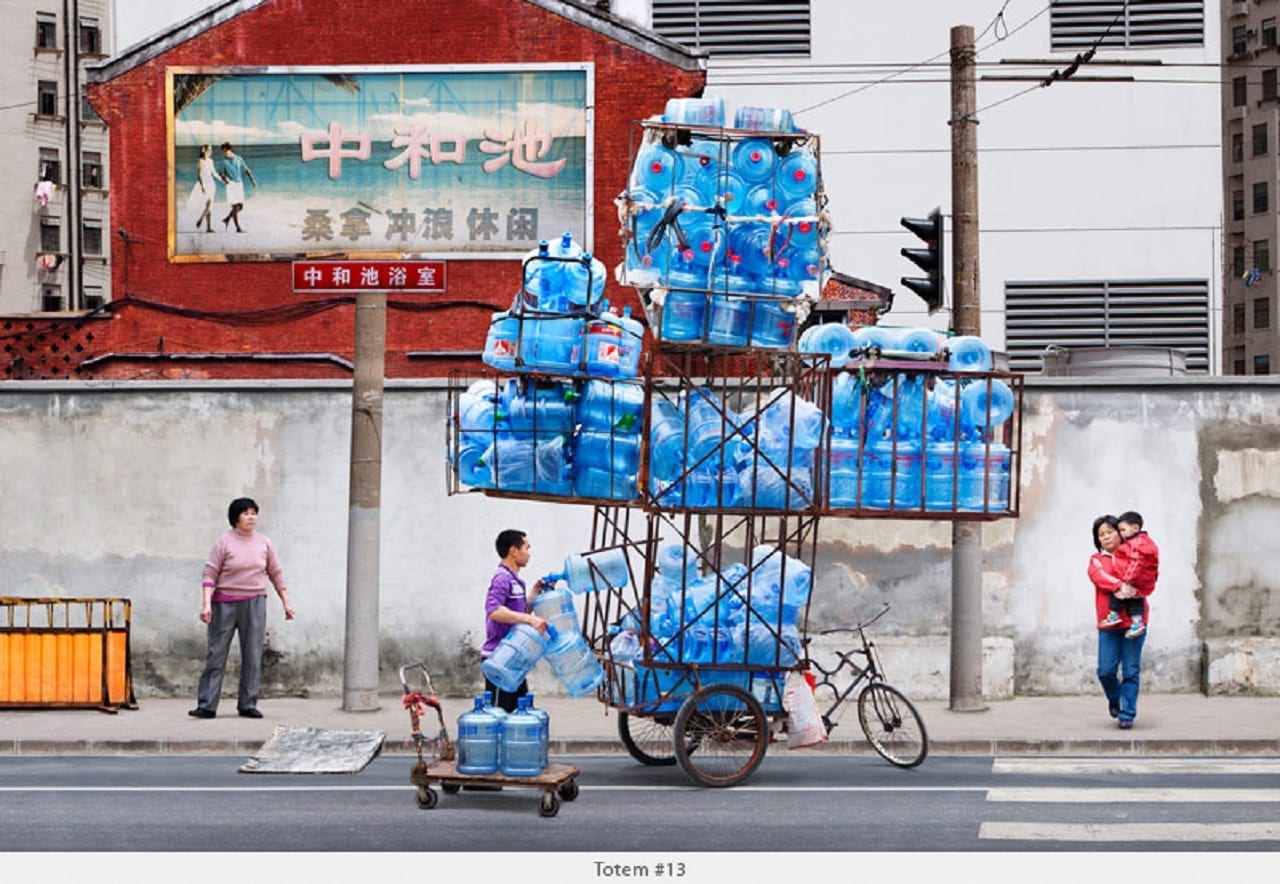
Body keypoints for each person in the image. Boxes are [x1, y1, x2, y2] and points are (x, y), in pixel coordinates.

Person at [190, 497, 294, 719]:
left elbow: (275, 572)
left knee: (253, 654)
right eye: (245, 513)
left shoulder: (264, 542)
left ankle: (248, 703)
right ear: (235, 517)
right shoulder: (224, 542)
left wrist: (286, 601)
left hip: (254, 602)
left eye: (253, 513)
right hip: (224, 603)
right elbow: (210, 574)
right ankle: (207, 704)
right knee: (216, 653)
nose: (251, 517)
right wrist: (206, 603)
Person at [1087, 514, 1150, 729]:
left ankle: (1127, 713)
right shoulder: (1097, 559)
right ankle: (1115, 698)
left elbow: (1147, 576)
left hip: (1134, 622)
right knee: (1105, 670)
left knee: (1131, 670)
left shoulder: (1135, 554)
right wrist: (1120, 586)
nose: (1106, 537)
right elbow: (1099, 577)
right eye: (1101, 535)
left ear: (1120, 532)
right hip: (1109, 624)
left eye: (1110, 532)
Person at [481, 529, 548, 713]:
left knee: (518, 715)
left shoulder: (516, 581)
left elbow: (516, 614)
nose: (529, 553)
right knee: (498, 715)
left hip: (514, 659)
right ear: (514, 551)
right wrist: (529, 619)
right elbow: (494, 610)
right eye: (527, 547)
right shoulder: (502, 578)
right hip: (499, 659)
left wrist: (534, 592)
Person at [1104, 510, 1159, 639]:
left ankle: (1114, 615)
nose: (1121, 534)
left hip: (1135, 580)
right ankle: (1137, 623)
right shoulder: (1143, 542)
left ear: (1135, 528)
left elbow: (1135, 563)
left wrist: (1126, 581)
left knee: (1118, 593)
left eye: (1123, 530)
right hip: (1143, 581)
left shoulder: (1137, 544)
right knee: (1135, 601)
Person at [217, 142, 257, 233]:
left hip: (239, 184)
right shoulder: (223, 161)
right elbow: (220, 173)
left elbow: (246, 169)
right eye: (223, 152)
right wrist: (225, 180)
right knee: (235, 206)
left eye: (225, 151)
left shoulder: (239, 159)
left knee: (240, 206)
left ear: (230, 150)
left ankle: (227, 219)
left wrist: (252, 180)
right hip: (231, 185)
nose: (224, 154)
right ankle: (238, 228)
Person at [188, 144, 217, 233]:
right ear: (204, 151)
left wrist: (223, 180)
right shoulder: (200, 161)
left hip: (211, 184)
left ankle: (208, 227)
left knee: (209, 205)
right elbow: (199, 175)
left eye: (211, 150)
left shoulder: (211, 161)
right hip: (204, 184)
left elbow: (214, 173)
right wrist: (202, 186)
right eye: (208, 150)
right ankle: (201, 219)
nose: (210, 151)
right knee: (208, 204)